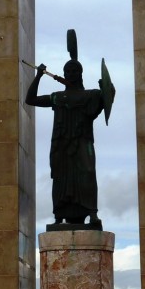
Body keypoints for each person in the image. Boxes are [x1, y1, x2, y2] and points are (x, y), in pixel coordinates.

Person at [26, 58, 113, 226]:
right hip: (61, 144)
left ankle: (92, 214)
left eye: (75, 71)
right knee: (60, 176)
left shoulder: (91, 95)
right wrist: (38, 76)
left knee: (87, 174)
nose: (71, 74)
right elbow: (31, 99)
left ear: (81, 74)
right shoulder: (58, 97)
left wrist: (106, 87)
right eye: (68, 72)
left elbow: (106, 98)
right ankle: (59, 215)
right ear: (64, 74)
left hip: (82, 142)